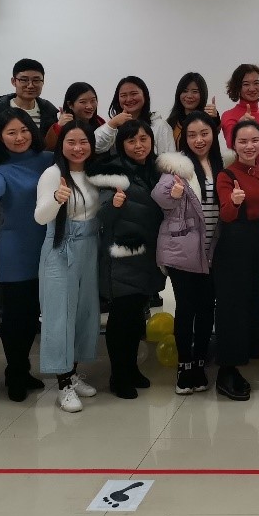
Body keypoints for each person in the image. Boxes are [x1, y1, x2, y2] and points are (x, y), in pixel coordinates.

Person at [0, 106, 53, 401]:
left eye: (23, 131)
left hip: (47, 247)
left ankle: (22, 369)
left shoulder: (47, 160)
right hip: (16, 252)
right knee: (14, 317)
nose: (19, 137)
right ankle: (16, 371)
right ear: (0, 137)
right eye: (11, 132)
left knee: (32, 314)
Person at [34, 120, 107, 413]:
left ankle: (73, 373)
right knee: (59, 315)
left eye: (83, 142)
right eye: (71, 142)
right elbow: (40, 217)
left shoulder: (94, 174)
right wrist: (56, 199)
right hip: (61, 249)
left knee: (83, 314)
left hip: (90, 248)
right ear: (61, 145)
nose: (78, 148)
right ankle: (62, 383)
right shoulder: (53, 174)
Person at [153, 111, 222, 395]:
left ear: (213, 134)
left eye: (204, 133)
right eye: (192, 135)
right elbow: (159, 196)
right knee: (186, 308)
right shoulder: (177, 166)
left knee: (206, 309)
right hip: (182, 250)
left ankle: (200, 361)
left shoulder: (222, 164)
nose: (199, 140)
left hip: (213, 251)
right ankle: (184, 365)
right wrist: (174, 195)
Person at [96, 119, 165, 399]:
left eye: (143, 139)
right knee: (122, 317)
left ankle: (132, 369)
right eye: (131, 140)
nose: (138, 145)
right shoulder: (113, 171)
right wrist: (113, 205)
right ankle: (118, 375)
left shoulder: (157, 170)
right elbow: (101, 216)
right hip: (122, 254)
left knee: (137, 315)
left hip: (148, 253)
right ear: (121, 144)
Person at [214, 119, 259, 400]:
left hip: (257, 244)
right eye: (243, 141)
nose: (249, 146)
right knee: (231, 306)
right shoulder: (227, 174)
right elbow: (226, 215)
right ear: (233, 144)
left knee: (251, 302)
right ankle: (226, 370)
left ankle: (241, 362)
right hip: (233, 244)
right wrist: (235, 201)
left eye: (254, 140)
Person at [0, 59, 58, 167]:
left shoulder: (49, 111)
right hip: (5, 168)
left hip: (41, 169)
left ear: (43, 82)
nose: (30, 85)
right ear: (14, 81)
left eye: (36, 80)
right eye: (24, 80)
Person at [95, 76, 175, 156]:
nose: (129, 99)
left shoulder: (159, 125)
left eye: (134, 94)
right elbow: (95, 147)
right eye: (123, 95)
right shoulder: (114, 125)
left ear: (144, 95)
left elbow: (169, 159)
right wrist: (112, 124)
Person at [220, 63, 259, 163]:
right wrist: (240, 126)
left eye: (256, 83)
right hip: (240, 171)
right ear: (238, 87)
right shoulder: (228, 115)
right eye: (246, 84)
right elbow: (231, 145)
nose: (252, 88)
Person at [46, 82, 105, 151]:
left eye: (93, 101)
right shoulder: (60, 126)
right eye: (83, 102)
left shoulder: (100, 122)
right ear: (70, 105)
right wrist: (58, 127)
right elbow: (49, 147)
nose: (90, 106)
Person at [167, 71, 219, 146]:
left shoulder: (208, 119)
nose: (189, 96)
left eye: (195, 91)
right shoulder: (171, 122)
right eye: (185, 91)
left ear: (203, 94)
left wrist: (214, 118)